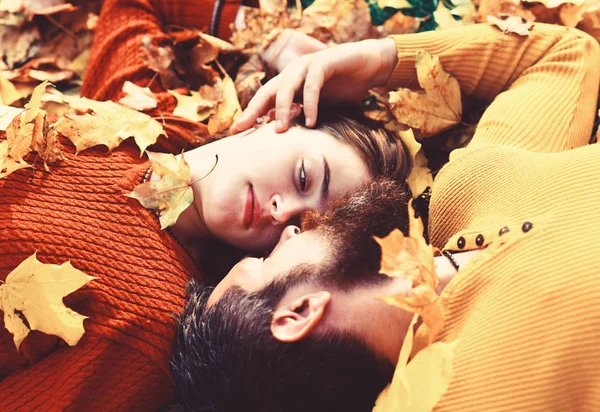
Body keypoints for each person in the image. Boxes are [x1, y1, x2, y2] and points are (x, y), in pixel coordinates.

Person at [0, 1, 411, 411]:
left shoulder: (145, 327)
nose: (282, 213)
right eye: (303, 178)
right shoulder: (149, 120)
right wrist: (270, 39)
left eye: (303, 225)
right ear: (276, 114)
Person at [172, 22, 600, 411]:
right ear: (298, 312)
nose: (287, 233)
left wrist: (378, 60)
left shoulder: (464, 193)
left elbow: (564, 55)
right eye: (265, 260)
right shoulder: (483, 395)